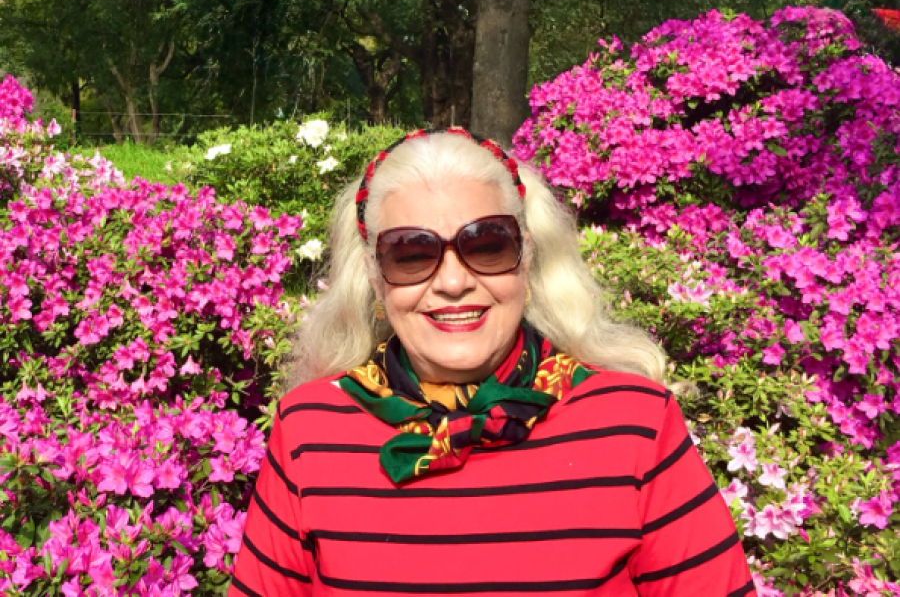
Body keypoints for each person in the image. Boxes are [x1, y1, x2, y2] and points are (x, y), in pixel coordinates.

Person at [229, 128, 756, 596]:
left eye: (486, 245)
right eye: (411, 254)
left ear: (527, 259)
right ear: (374, 277)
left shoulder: (635, 423)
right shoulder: (309, 429)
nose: (453, 282)